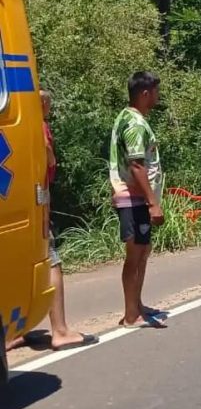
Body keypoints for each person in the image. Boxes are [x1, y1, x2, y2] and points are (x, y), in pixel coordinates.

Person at [5, 90, 99, 352]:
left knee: (14, 263)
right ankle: (60, 330)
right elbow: (47, 158)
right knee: (51, 261)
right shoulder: (37, 126)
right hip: (37, 204)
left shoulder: (12, 129)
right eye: (46, 103)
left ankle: (11, 332)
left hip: (13, 204)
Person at [109, 71, 166, 329]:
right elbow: (136, 166)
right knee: (135, 254)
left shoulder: (130, 117)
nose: (157, 96)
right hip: (134, 199)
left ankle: (138, 305)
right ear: (145, 94)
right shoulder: (134, 124)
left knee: (142, 251)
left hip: (136, 198)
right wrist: (153, 202)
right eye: (155, 92)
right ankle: (131, 314)